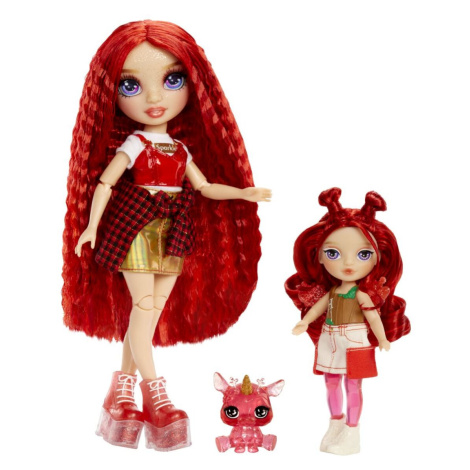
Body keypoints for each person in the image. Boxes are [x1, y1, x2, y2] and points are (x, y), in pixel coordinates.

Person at [62, 20, 270, 451]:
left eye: (172, 80)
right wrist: (92, 226)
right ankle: (156, 395)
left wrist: (243, 192)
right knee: (143, 308)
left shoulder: (180, 149)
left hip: (174, 230)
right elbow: (105, 183)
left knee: (150, 312)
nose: (155, 99)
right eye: (131, 86)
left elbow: (204, 187)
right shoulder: (135, 145)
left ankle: (120, 390)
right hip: (136, 227)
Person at [285, 187, 410, 455]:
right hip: (330, 337)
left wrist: (383, 338)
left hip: (356, 339)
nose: (348, 264)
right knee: (330, 382)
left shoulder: (362, 294)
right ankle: (335, 424)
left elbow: (373, 317)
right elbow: (317, 308)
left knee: (353, 385)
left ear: (377, 259)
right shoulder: (332, 291)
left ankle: (352, 431)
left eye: (363, 254)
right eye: (333, 253)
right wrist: (305, 322)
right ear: (319, 256)